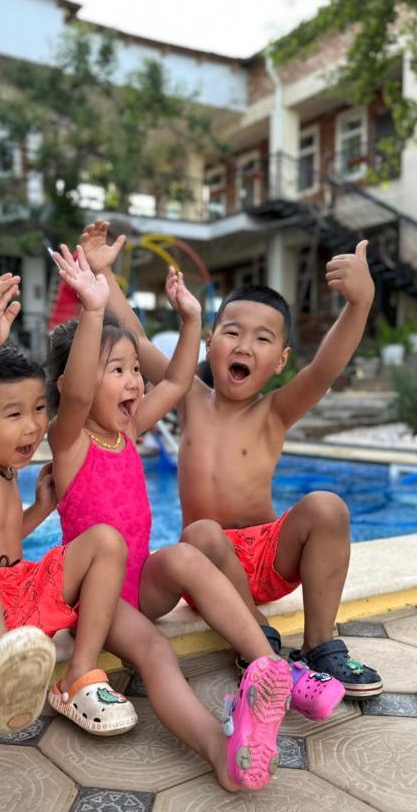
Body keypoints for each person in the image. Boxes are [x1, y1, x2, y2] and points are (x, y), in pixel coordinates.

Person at [82, 220, 383, 698]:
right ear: (209, 344)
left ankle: (320, 644)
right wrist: (104, 276)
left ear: (280, 360)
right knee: (201, 531)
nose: (244, 346)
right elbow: (136, 340)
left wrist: (359, 304)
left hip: (268, 558)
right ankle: (256, 635)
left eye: (262, 339)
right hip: (209, 567)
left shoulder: (275, 412)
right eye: (233, 332)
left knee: (328, 507)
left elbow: (324, 369)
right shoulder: (187, 395)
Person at [46, 242, 295, 792]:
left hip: (140, 584)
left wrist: (192, 321)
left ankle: (267, 667)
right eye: (118, 370)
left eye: (136, 370)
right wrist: (94, 310)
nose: (136, 382)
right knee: (157, 653)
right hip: (98, 599)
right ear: (76, 383)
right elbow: (78, 392)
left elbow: (179, 382)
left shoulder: (129, 430)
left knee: (184, 555)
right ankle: (219, 753)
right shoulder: (70, 441)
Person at [0, 271, 137, 737]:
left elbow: (4, 543)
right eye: (13, 414)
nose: (33, 427)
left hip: (17, 612)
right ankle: (4, 669)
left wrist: (38, 509)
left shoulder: (7, 468)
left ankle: (79, 676)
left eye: (39, 409)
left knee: (105, 541)